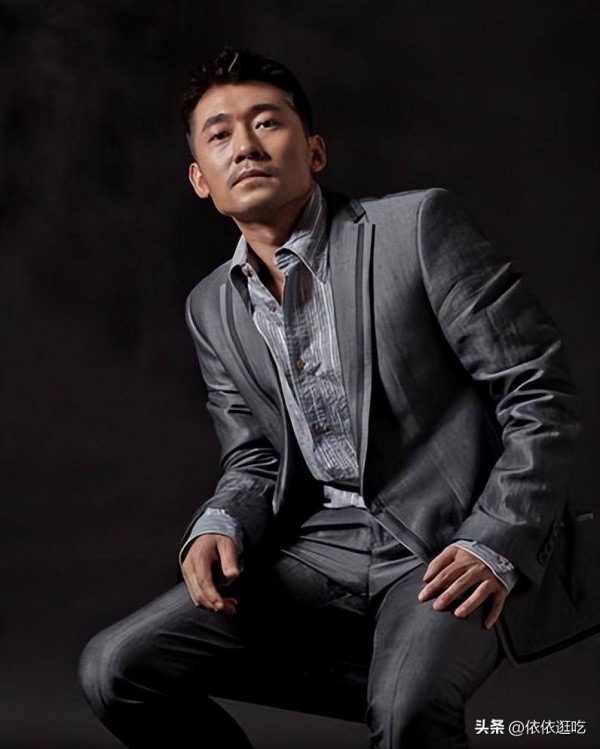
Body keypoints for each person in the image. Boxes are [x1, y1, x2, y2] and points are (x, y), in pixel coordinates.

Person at [79, 47, 586, 748]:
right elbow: (254, 458)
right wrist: (218, 522)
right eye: (220, 134)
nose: (245, 146)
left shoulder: (416, 229)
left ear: (314, 151)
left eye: (267, 122)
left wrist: (495, 537)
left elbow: (538, 393)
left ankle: (411, 684)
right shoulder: (211, 306)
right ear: (200, 178)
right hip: (322, 546)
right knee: (116, 667)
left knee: (408, 710)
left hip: (446, 535)